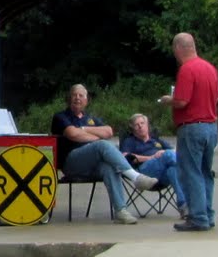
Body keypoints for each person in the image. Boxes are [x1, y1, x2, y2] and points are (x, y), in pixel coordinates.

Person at [51, 84, 158, 224]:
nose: (77, 98)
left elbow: (108, 131)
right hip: (71, 163)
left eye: (81, 95)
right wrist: (96, 137)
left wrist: (83, 129)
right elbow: (72, 134)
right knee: (102, 145)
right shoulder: (60, 117)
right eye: (74, 95)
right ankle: (135, 177)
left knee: (109, 167)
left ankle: (121, 211)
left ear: (86, 100)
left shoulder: (91, 119)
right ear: (69, 98)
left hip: (93, 165)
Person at [165, 32, 218, 232]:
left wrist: (168, 100)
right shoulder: (209, 68)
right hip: (211, 126)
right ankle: (207, 214)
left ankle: (197, 217)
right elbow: (217, 97)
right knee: (205, 172)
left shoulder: (187, 69)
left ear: (178, 49)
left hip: (192, 127)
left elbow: (182, 101)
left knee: (191, 172)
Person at [120, 113, 186, 218]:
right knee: (168, 155)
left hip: (162, 176)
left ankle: (184, 206)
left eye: (142, 123)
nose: (140, 126)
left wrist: (163, 152)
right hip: (144, 173)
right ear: (132, 128)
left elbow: (175, 151)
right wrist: (151, 157)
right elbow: (124, 156)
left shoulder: (155, 140)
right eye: (137, 125)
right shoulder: (130, 141)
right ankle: (189, 172)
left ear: (147, 125)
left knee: (172, 170)